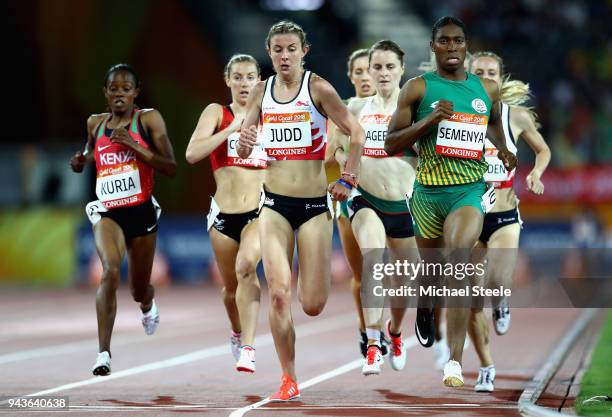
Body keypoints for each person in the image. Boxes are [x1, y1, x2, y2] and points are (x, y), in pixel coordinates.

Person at [385, 16, 517, 388]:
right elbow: (390, 144)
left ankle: (455, 364)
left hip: (468, 189)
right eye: (444, 41)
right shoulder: (417, 88)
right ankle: (425, 308)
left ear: (466, 46)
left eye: (458, 41)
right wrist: (430, 122)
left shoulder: (484, 88)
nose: (453, 47)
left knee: (458, 261)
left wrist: (503, 148)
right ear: (433, 47)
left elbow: (489, 121)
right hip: (428, 194)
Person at [237, 20, 365, 401]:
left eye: (291, 48)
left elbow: (355, 133)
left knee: (311, 303)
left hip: (313, 207)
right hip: (273, 204)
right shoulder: (261, 91)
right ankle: (288, 377)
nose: (284, 56)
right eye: (277, 49)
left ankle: (294, 357)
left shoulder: (319, 88)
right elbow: (245, 148)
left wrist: (348, 177)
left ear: (303, 51)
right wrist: (244, 142)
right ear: (270, 52)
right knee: (278, 293)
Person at [70, 64, 177, 376]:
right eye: (113, 89)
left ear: (135, 92)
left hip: (141, 212)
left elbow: (170, 166)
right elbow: (92, 152)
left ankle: (147, 303)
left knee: (138, 289)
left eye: (125, 89)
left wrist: (132, 144)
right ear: (105, 93)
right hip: (108, 211)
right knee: (110, 271)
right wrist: (81, 161)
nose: (119, 94)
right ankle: (103, 353)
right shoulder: (95, 123)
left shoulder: (148, 119)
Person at [332, 40, 418, 375]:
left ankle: (394, 332)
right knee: (371, 259)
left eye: (388, 67)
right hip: (367, 200)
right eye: (376, 67)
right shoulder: (356, 110)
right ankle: (372, 343)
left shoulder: (417, 110)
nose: (381, 73)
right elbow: (338, 149)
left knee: (403, 283)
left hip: (407, 206)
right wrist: (345, 167)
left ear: (401, 69)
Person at [467, 51, 550, 392]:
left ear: (501, 78)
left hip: (502, 214)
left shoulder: (515, 118)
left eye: (491, 72)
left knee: (497, 279)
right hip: (467, 215)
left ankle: (501, 301)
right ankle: (486, 366)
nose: (485, 77)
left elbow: (542, 150)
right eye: (479, 72)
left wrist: (536, 174)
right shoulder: (451, 117)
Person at [185, 54, 266, 373]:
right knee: (231, 288)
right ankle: (236, 331)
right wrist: (231, 128)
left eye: (250, 77)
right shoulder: (216, 112)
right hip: (222, 215)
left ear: (258, 81)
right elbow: (192, 154)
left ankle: (248, 347)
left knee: (248, 268)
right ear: (228, 80)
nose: (244, 83)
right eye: (238, 77)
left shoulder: (270, 116)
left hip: (259, 211)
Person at [325, 48, 381, 358]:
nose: (363, 77)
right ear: (351, 77)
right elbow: (329, 153)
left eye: (368, 70)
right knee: (362, 275)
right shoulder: (341, 112)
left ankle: (391, 327)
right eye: (357, 72)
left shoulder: (394, 109)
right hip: (351, 202)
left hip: (389, 199)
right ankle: (368, 330)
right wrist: (343, 158)